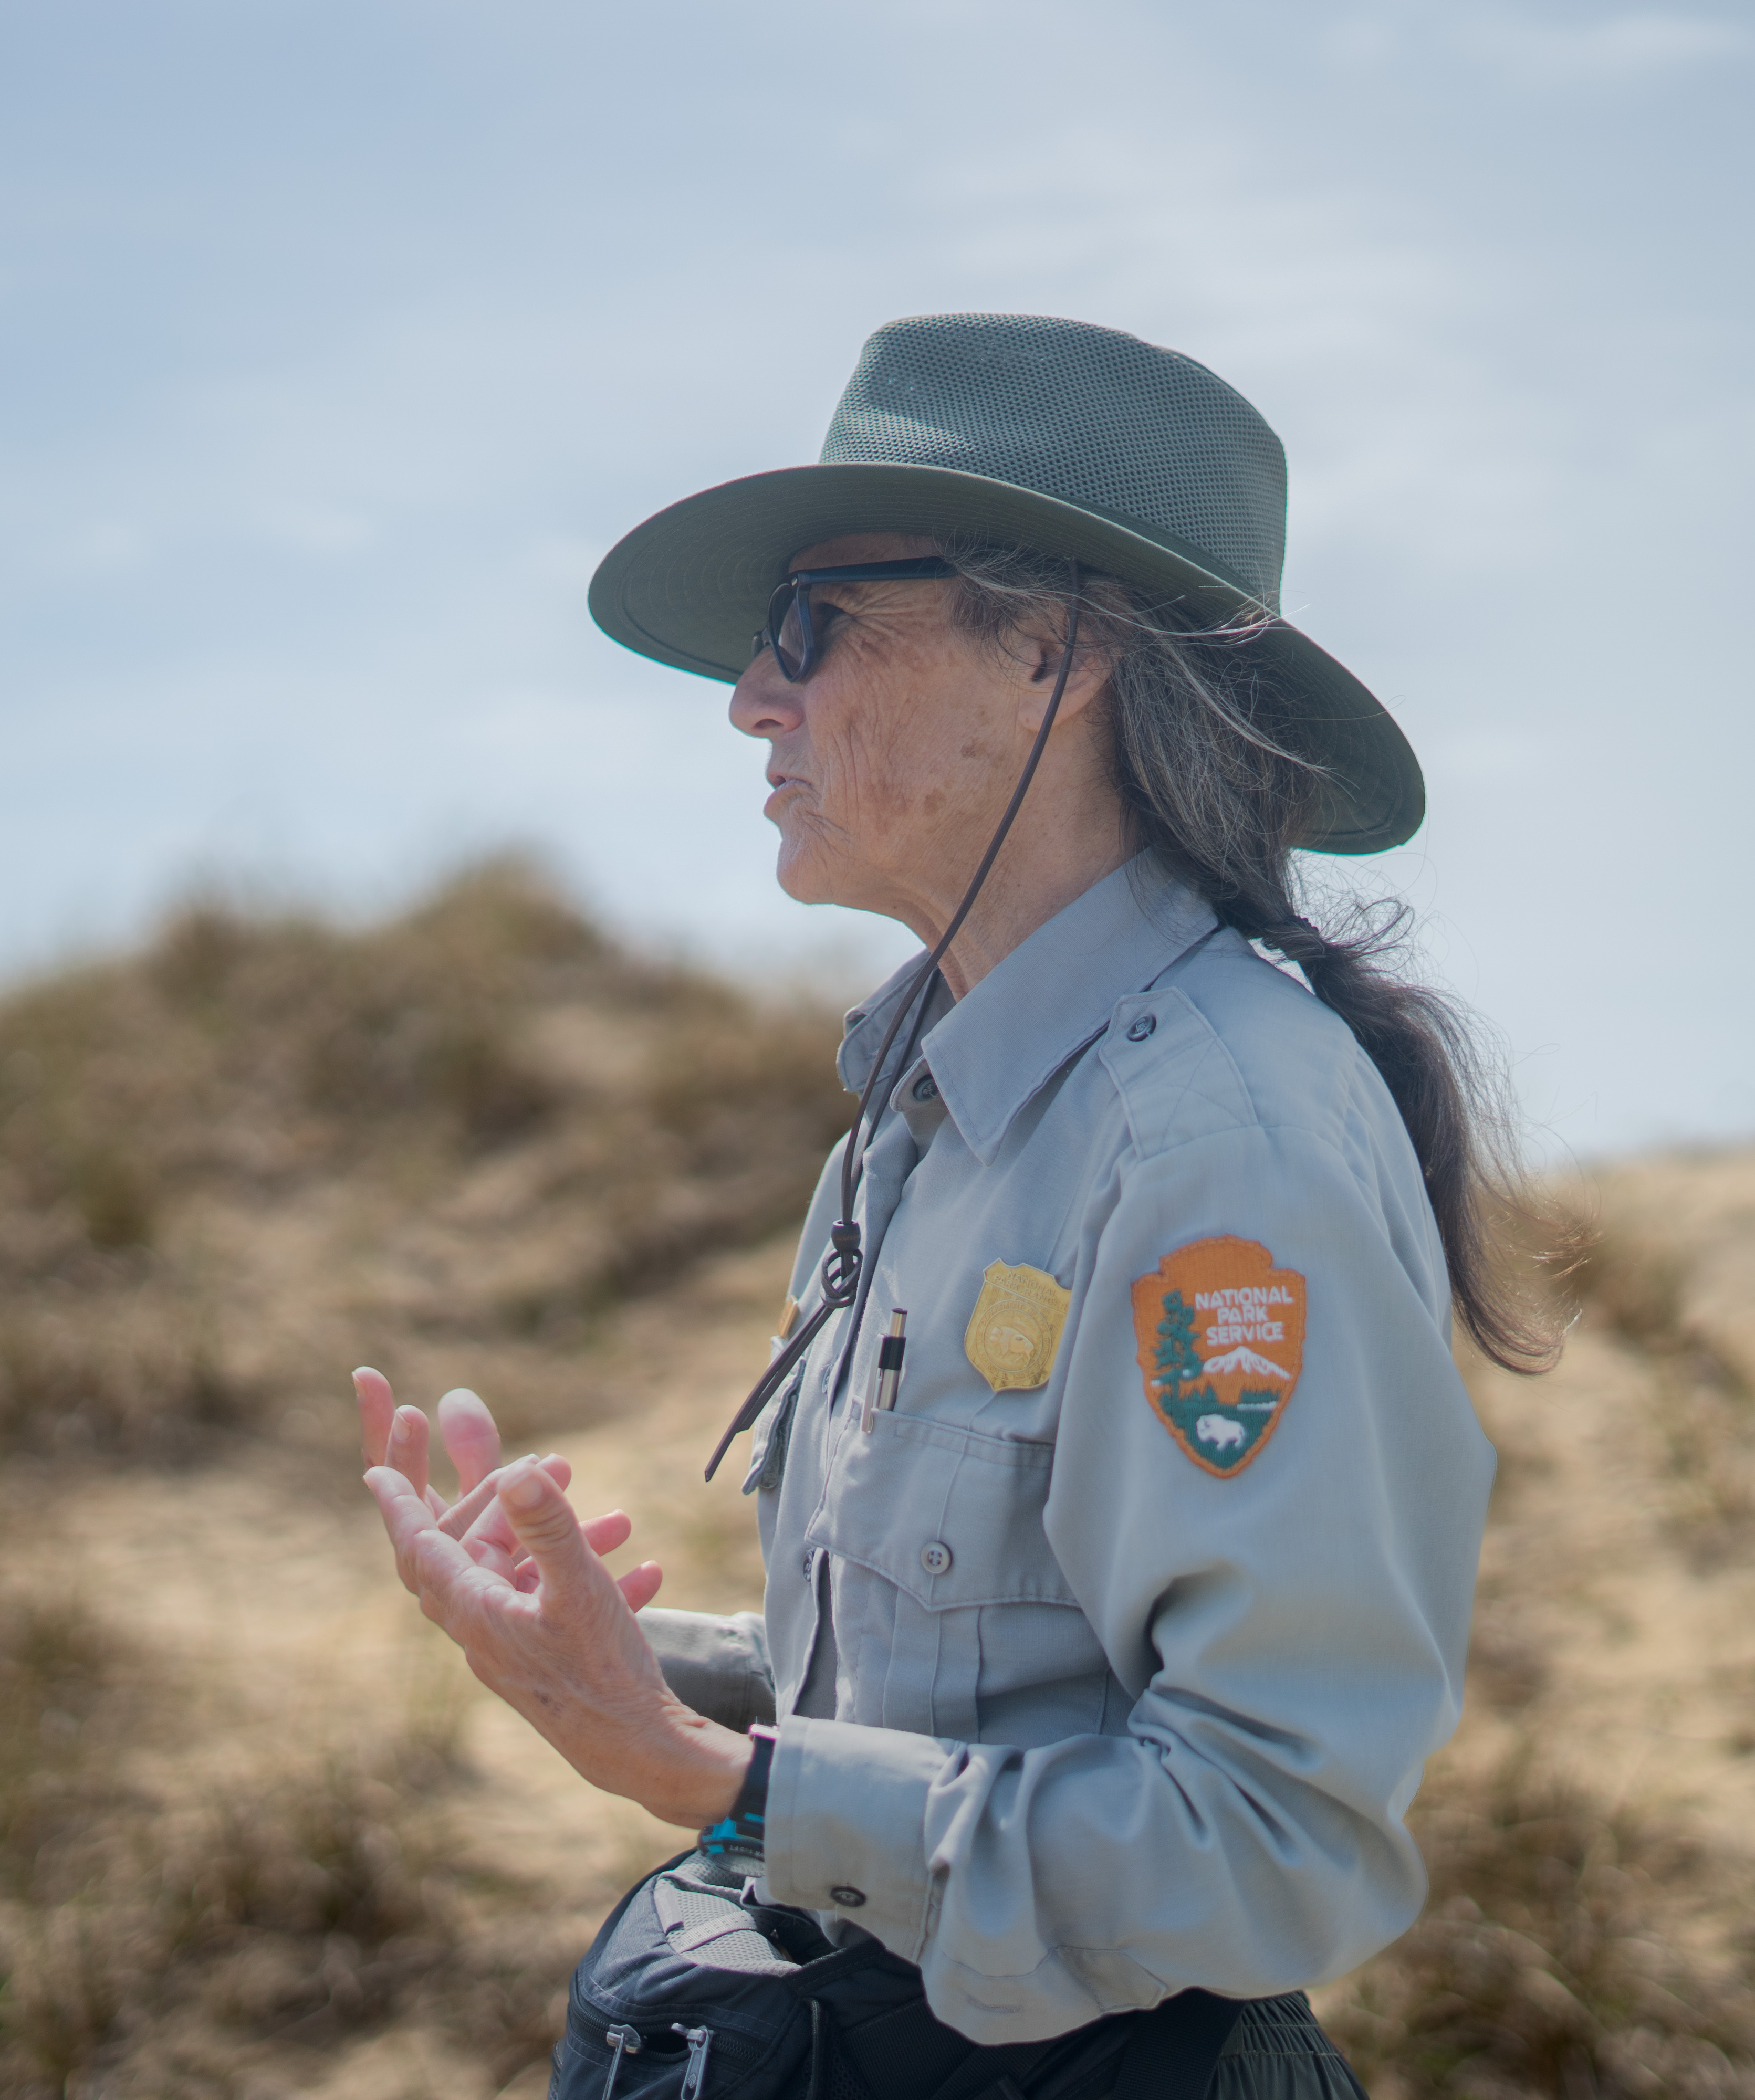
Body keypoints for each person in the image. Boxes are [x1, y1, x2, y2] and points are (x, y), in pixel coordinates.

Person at [352, 314, 1553, 2094]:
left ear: (1054, 651)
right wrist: (630, 1673)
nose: (756, 695)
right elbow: (974, 1684)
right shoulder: (917, 1119)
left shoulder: (1218, 1142)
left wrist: (718, 1786)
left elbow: (1270, 1841)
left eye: (813, 625)